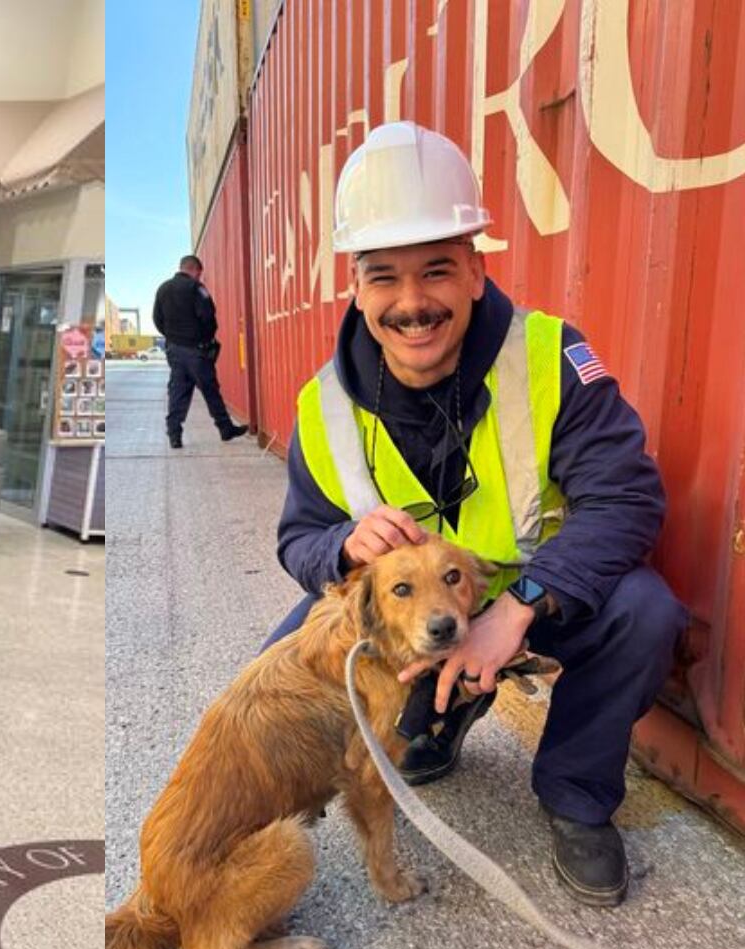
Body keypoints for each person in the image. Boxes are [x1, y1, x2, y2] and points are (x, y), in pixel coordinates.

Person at [270, 121, 686, 907]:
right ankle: (434, 719)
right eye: (384, 278)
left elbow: (627, 498)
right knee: (286, 655)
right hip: (414, 613)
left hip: (539, 599)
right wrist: (342, 544)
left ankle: (576, 795)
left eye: (436, 270)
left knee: (645, 610)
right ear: (356, 288)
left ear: (474, 271)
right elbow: (299, 538)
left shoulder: (549, 357)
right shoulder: (323, 406)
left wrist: (517, 607)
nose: (411, 303)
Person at [153, 254, 248, 447]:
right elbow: (208, 316)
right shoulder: (196, 288)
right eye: (199, 273)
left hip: (174, 350)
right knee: (210, 389)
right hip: (196, 350)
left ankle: (174, 434)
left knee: (178, 391)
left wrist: (172, 337)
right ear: (194, 270)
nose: (199, 277)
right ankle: (225, 428)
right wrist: (206, 339)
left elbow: (157, 319)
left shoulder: (163, 289)